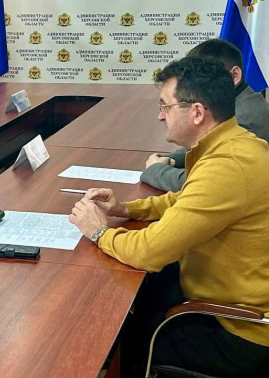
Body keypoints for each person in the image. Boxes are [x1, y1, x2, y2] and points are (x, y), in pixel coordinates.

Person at [69, 56, 269, 377]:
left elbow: (150, 252)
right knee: (141, 298)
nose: (160, 116)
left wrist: (99, 232)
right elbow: (186, 200)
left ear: (197, 112)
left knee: (121, 336)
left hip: (239, 332)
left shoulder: (228, 165)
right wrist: (126, 209)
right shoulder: (235, 144)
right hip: (227, 299)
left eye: (165, 106)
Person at [141, 38, 269, 191]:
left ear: (235, 75)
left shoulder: (244, 118)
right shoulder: (237, 101)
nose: (193, 83)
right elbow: (205, 145)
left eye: (205, 74)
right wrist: (170, 159)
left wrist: (156, 171)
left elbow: (204, 182)